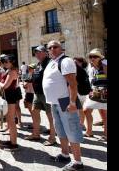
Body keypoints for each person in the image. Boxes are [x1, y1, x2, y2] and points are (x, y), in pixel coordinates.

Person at [43, 40, 84, 171]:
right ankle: (65, 154)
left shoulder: (65, 61)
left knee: (71, 130)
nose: (52, 49)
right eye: (50, 47)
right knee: (60, 130)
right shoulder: (52, 62)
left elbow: (73, 84)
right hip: (54, 101)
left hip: (65, 101)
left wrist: (72, 102)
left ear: (61, 48)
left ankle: (78, 162)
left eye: (55, 46)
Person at [28, 45, 56, 146]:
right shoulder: (38, 64)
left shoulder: (50, 63)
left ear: (46, 53)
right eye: (36, 53)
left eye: (40, 52)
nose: (37, 54)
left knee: (50, 116)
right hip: (37, 93)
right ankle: (36, 134)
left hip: (47, 94)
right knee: (35, 112)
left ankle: (52, 137)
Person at [0, 55, 21, 151]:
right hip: (7, 96)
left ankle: (14, 143)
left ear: (12, 62)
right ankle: (11, 140)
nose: (5, 63)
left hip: (10, 96)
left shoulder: (12, 71)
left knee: (11, 120)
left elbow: (5, 86)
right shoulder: (9, 70)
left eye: (7, 62)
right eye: (4, 62)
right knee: (9, 120)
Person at [83, 48, 107, 140]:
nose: (92, 58)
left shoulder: (104, 64)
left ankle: (105, 134)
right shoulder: (90, 66)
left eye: (95, 56)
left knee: (104, 113)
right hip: (93, 92)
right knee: (86, 110)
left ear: (100, 58)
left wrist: (98, 66)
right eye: (90, 57)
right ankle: (89, 131)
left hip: (104, 92)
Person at [73, 57, 89, 131]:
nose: (74, 63)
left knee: (79, 110)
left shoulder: (79, 71)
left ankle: (81, 124)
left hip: (80, 93)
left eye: (76, 62)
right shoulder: (83, 70)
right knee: (80, 109)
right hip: (82, 93)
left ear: (81, 63)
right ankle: (81, 124)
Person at [22, 64, 35, 131]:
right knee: (31, 109)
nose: (29, 69)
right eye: (29, 68)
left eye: (31, 68)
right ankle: (35, 123)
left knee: (32, 109)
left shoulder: (31, 75)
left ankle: (35, 123)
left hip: (31, 93)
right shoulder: (30, 75)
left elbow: (25, 84)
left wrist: (24, 84)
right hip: (29, 93)